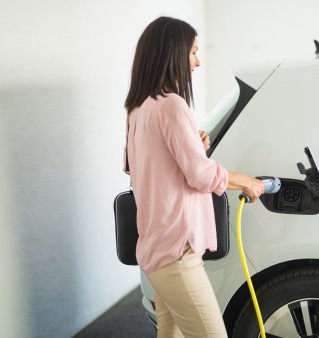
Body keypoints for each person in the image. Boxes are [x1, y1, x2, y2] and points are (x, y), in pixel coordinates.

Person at [123, 16, 264, 338]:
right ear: (171, 54)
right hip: (177, 251)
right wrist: (247, 181)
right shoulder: (172, 106)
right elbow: (200, 176)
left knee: (171, 334)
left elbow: (144, 168)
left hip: (156, 245)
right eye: (193, 53)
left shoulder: (139, 108)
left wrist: (192, 148)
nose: (198, 62)